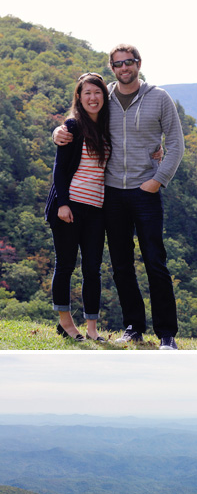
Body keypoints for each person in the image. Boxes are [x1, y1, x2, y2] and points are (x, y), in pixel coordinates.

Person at [54, 44, 184, 350]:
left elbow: (176, 144)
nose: (124, 68)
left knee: (155, 261)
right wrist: (57, 132)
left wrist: (158, 180)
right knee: (121, 264)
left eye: (129, 62)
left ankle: (167, 334)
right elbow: (78, 119)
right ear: (112, 68)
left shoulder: (159, 98)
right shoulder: (105, 96)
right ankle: (134, 327)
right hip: (110, 193)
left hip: (145, 190)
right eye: (118, 64)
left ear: (139, 64)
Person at [45, 73, 111, 342]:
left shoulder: (108, 128)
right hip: (69, 208)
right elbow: (59, 170)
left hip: (96, 209)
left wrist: (157, 151)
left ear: (104, 97)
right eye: (87, 93)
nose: (93, 98)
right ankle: (65, 323)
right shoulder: (72, 127)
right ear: (79, 98)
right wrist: (63, 204)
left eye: (97, 92)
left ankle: (92, 329)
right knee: (66, 265)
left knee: (93, 269)